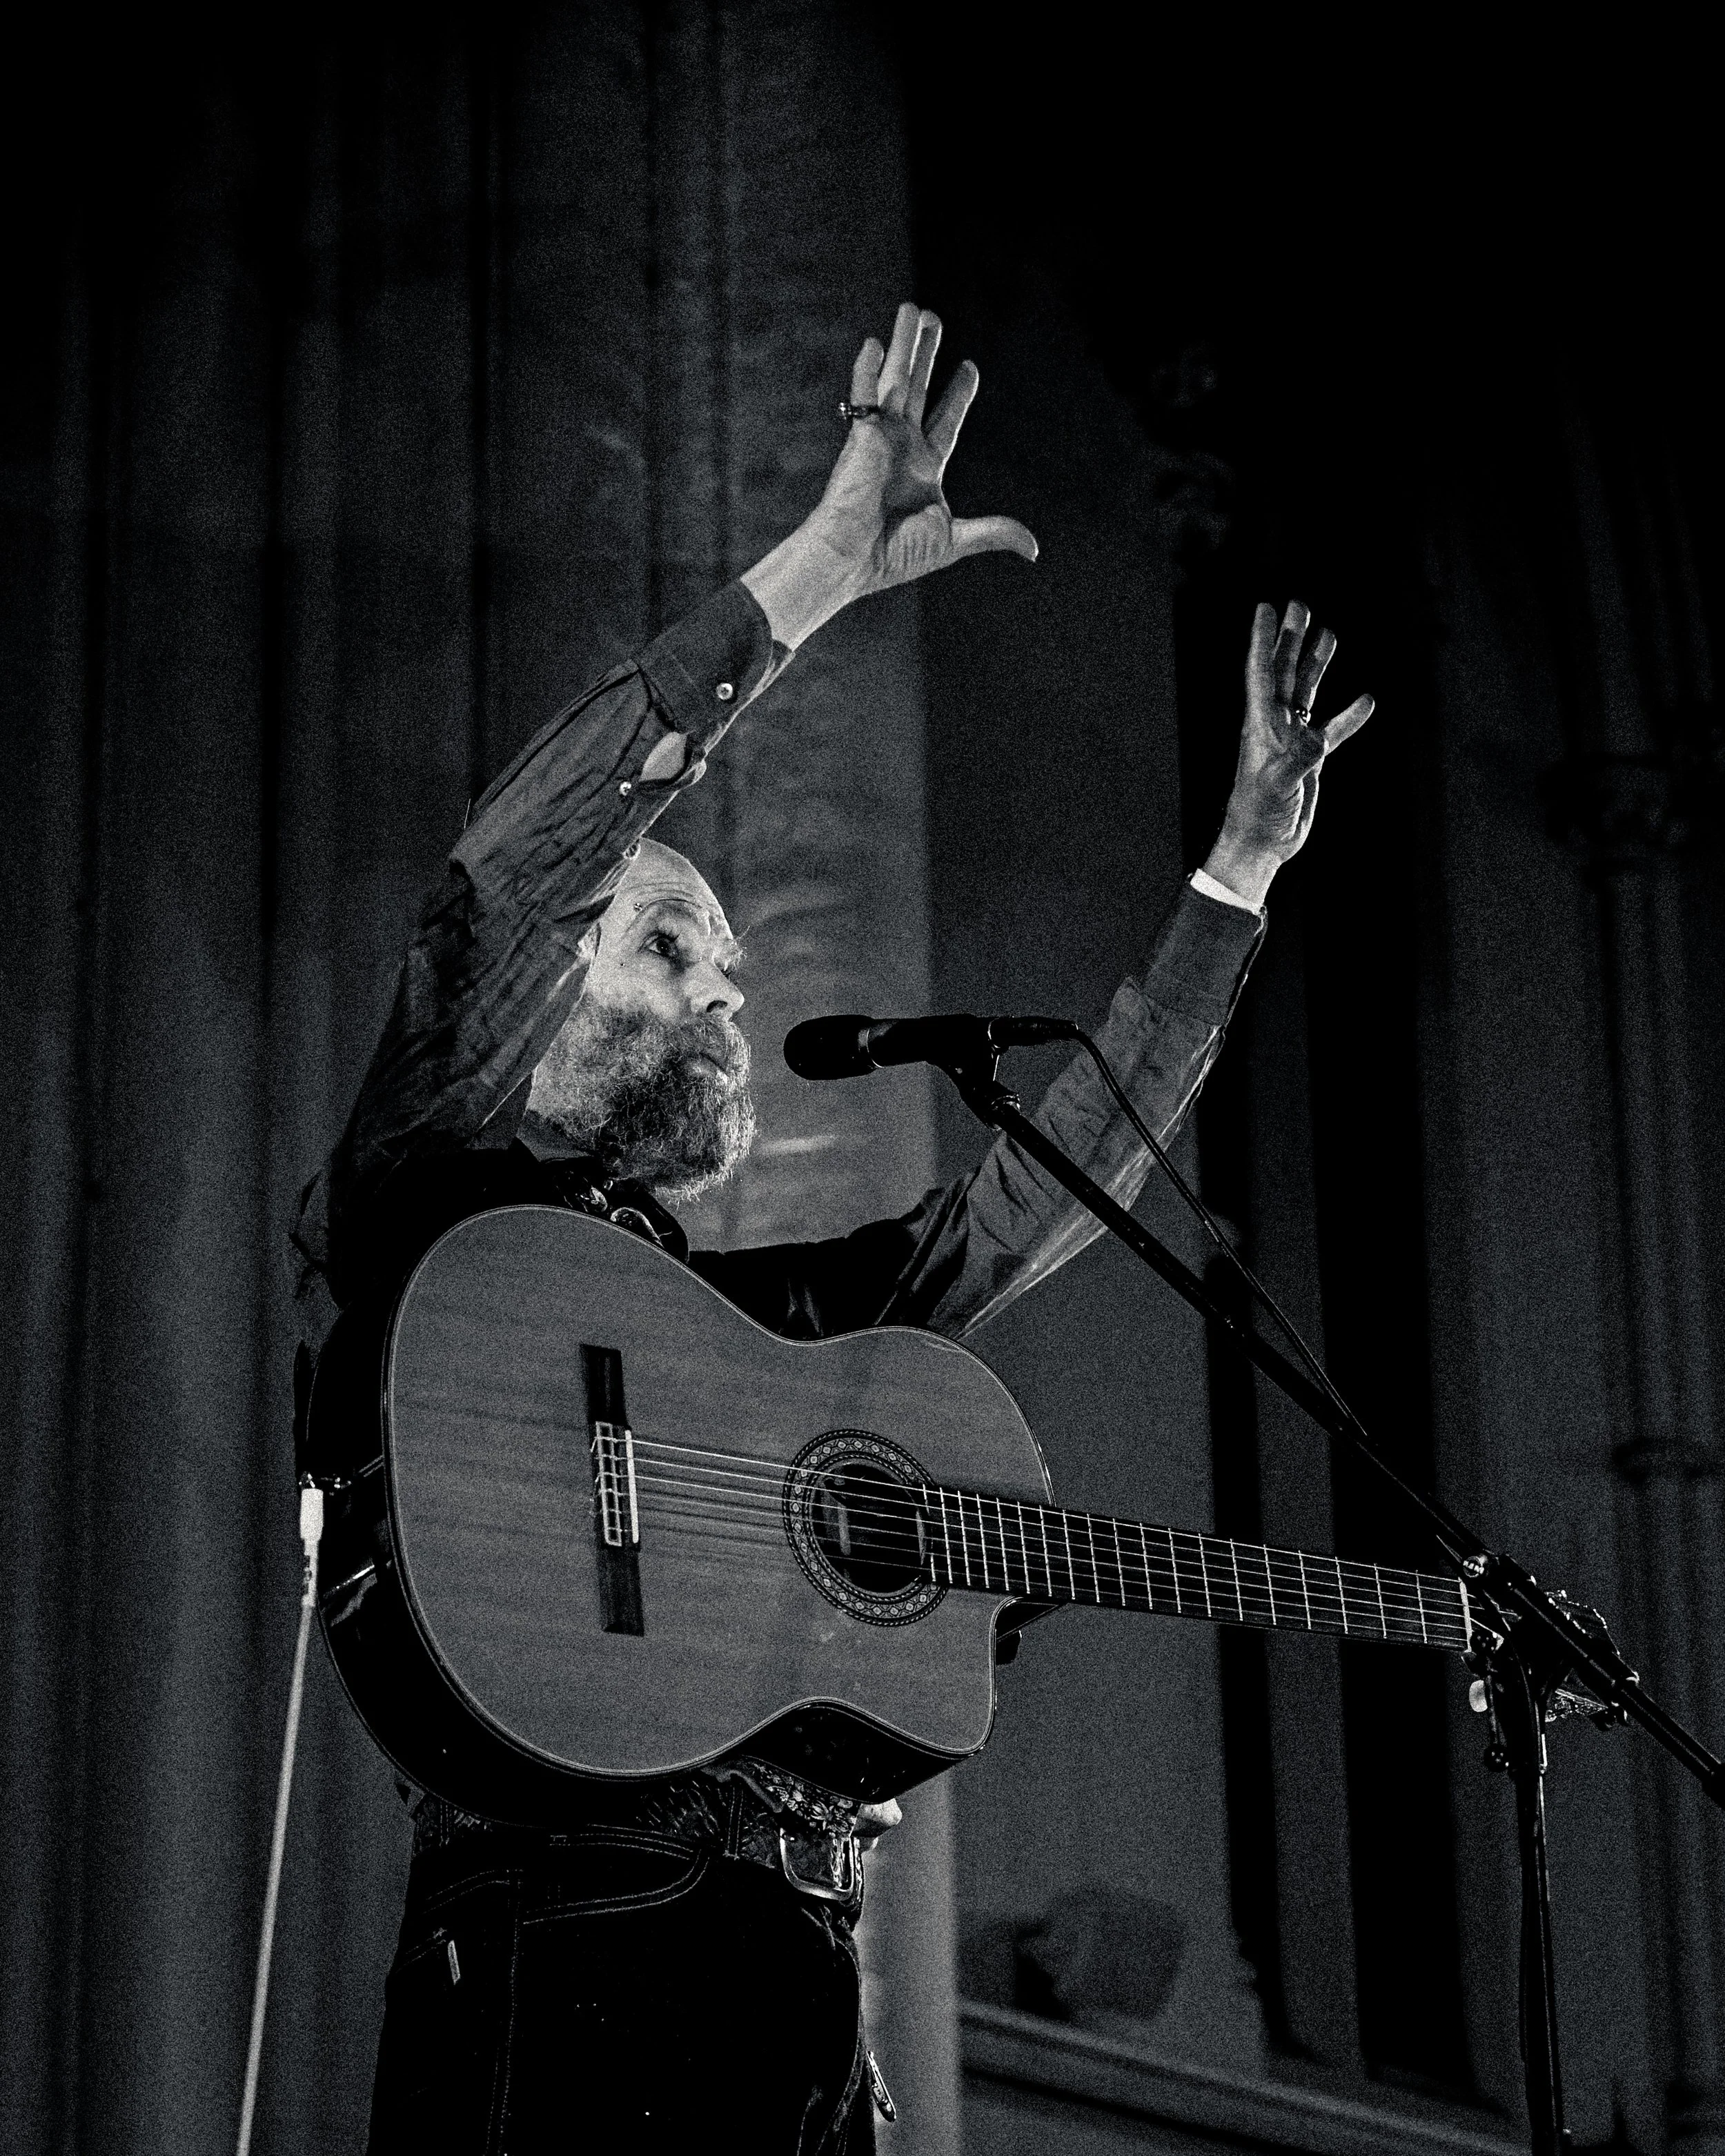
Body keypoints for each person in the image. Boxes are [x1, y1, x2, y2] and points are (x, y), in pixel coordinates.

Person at [292, 302, 1373, 2155]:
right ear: (533, 999)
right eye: (666, 946)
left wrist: (1235, 884)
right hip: (570, 1966)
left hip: (793, 1979)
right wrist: (815, 570)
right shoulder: (434, 1183)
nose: (728, 991)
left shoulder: (762, 1332)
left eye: (727, 953)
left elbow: (1044, 1185)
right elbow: (525, 857)